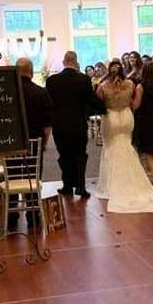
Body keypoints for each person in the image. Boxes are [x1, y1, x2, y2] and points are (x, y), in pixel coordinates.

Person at [94, 60, 153, 213]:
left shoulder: (105, 86)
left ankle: (113, 182)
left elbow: (100, 100)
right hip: (128, 116)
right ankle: (146, 176)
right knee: (127, 146)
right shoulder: (131, 84)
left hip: (112, 116)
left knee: (111, 147)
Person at [45, 51, 105, 197]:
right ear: (76, 61)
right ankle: (80, 187)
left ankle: (67, 185)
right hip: (78, 124)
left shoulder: (52, 80)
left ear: (64, 61)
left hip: (60, 125)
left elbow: (48, 103)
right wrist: (105, 108)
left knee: (64, 155)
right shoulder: (83, 79)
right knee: (80, 155)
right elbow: (91, 100)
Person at [10, 57, 54, 229]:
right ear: (31, 70)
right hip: (34, 143)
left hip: (11, 143)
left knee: (12, 177)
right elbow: (47, 124)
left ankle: (11, 215)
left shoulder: (7, 92)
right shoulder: (40, 92)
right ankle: (33, 215)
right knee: (33, 178)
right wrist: (44, 143)